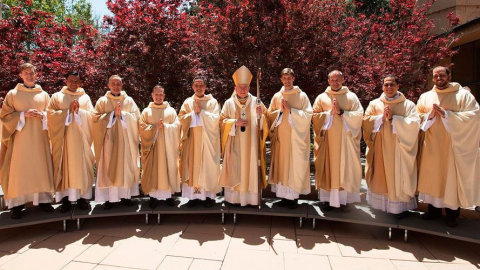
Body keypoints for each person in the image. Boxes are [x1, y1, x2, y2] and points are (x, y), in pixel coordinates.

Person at [417, 66, 480, 227]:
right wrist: (429, 116)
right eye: (435, 76)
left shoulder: (463, 95)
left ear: (449, 75)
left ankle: (452, 214)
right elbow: (417, 116)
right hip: (432, 145)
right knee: (433, 177)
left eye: (442, 75)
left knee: (450, 178)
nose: (439, 78)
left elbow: (473, 115)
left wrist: (447, 115)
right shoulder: (426, 96)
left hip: (453, 146)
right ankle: (433, 211)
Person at [0, 63, 54, 219]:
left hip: (39, 139)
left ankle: (44, 201)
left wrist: (43, 115)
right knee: (19, 170)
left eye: (32, 73)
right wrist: (23, 115)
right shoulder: (12, 94)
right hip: (20, 141)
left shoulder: (43, 94)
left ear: (36, 74)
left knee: (40, 167)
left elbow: (52, 115)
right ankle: (17, 205)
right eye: (26, 73)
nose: (30, 75)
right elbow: (5, 116)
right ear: (21, 75)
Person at [362, 75, 420, 218]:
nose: (389, 87)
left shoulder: (408, 105)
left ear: (398, 86)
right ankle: (380, 206)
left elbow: (415, 124)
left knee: (398, 177)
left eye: (392, 84)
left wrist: (394, 118)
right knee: (381, 176)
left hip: (399, 149)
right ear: (382, 87)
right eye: (386, 85)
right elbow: (366, 122)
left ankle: (398, 208)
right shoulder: (375, 104)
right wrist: (380, 118)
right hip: (380, 147)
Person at [312, 70, 363, 211]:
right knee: (329, 168)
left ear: (343, 80)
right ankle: (328, 200)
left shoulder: (351, 97)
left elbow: (359, 115)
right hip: (327, 140)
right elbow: (314, 116)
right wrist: (328, 114)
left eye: (338, 79)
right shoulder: (322, 97)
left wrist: (342, 113)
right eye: (332, 80)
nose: (335, 82)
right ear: (328, 81)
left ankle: (345, 201)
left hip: (345, 141)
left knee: (344, 169)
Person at [219, 66, 268, 206]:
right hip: (234, 144)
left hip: (251, 145)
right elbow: (221, 122)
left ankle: (251, 200)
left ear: (249, 87)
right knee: (235, 168)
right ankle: (233, 199)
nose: (242, 90)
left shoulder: (257, 102)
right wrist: (234, 122)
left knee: (250, 168)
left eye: (245, 87)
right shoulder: (229, 103)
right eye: (239, 87)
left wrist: (261, 116)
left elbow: (266, 122)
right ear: (235, 88)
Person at [48, 72, 94, 213]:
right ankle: (65, 200)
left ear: (80, 83)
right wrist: (67, 112)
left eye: (76, 81)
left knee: (81, 168)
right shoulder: (57, 97)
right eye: (71, 81)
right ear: (66, 81)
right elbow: (50, 115)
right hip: (64, 141)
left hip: (81, 140)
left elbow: (92, 115)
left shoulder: (85, 97)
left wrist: (80, 112)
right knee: (64, 167)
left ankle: (82, 199)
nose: (74, 84)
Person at [92, 75, 141, 209]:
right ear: (108, 85)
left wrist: (123, 115)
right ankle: (110, 198)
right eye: (113, 84)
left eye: (118, 84)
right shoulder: (102, 101)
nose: (116, 86)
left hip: (126, 141)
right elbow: (95, 119)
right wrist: (112, 115)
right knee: (109, 166)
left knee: (125, 167)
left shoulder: (129, 100)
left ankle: (125, 196)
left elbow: (137, 119)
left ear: (122, 85)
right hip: (108, 141)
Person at [267, 68, 312, 209]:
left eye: (289, 78)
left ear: (294, 78)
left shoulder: (302, 96)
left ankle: (293, 199)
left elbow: (308, 115)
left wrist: (292, 110)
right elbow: (269, 117)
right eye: (284, 78)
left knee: (294, 167)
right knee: (282, 166)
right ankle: (283, 198)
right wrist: (280, 111)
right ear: (281, 79)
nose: (287, 80)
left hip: (296, 140)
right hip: (281, 139)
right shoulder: (276, 96)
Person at [179, 77, 221, 208]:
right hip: (192, 141)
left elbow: (216, 120)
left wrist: (201, 112)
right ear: (192, 87)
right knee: (193, 168)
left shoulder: (212, 102)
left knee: (207, 167)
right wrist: (193, 114)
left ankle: (207, 197)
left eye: (201, 85)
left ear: (205, 86)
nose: (198, 88)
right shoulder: (187, 102)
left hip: (207, 141)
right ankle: (193, 197)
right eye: (196, 85)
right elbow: (180, 118)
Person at [139, 85, 181, 209]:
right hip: (152, 149)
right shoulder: (146, 111)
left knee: (168, 169)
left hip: (168, 148)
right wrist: (154, 128)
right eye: (156, 94)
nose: (158, 97)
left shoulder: (171, 111)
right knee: (153, 171)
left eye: (161, 94)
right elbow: (141, 128)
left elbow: (177, 126)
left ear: (164, 96)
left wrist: (166, 127)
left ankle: (169, 196)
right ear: (152, 95)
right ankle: (153, 197)